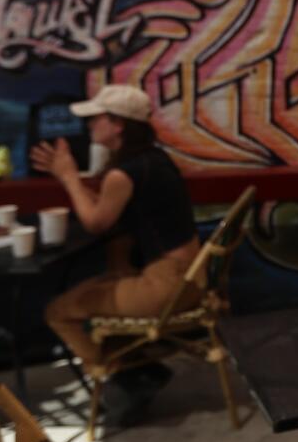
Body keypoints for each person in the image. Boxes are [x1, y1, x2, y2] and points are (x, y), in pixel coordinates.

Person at [34, 83, 200, 423]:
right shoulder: (154, 159)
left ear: (118, 124)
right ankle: (139, 371)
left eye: (97, 119)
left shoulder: (123, 174)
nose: (90, 125)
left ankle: (125, 377)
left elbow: (96, 223)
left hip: (164, 289)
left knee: (57, 312)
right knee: (106, 279)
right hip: (191, 279)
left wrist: (67, 176)